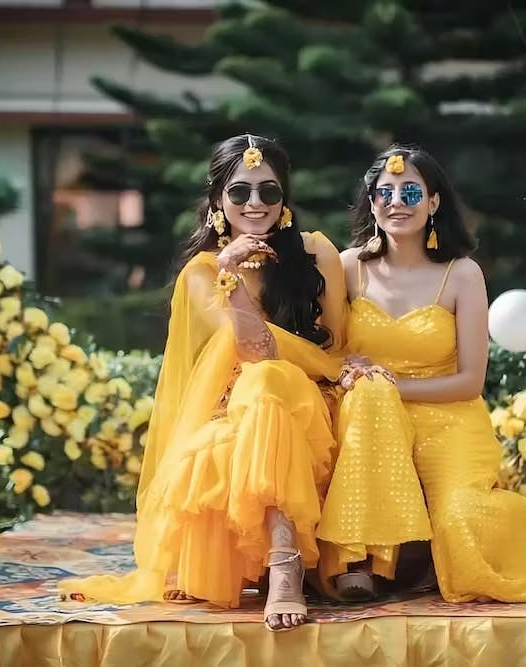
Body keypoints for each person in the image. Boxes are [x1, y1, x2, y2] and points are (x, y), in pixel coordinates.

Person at [60, 134, 348, 632]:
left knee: (271, 381)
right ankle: (284, 563)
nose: (255, 203)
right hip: (241, 406)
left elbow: (336, 347)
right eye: (240, 192)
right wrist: (229, 273)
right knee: (263, 382)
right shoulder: (202, 273)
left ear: (285, 200)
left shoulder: (317, 253)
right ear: (218, 200)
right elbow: (254, 350)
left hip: (313, 401)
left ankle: (283, 568)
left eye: (268, 191)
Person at [316, 145, 526, 604]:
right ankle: (360, 562)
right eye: (384, 192)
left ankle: (516, 527)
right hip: (368, 418)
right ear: (371, 203)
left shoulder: (462, 274)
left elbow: (470, 381)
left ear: (433, 203)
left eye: (411, 191)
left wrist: (394, 385)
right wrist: (352, 371)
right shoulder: (348, 267)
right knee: (369, 402)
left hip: (447, 417)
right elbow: (329, 350)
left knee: (461, 521)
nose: (397, 201)